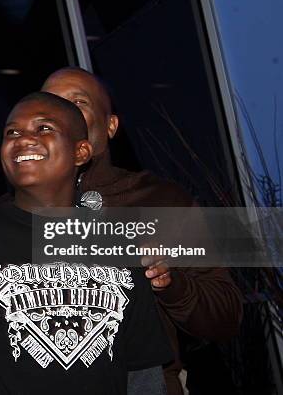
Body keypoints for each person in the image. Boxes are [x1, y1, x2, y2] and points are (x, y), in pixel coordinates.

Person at [0, 92, 173, 394]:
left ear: (81, 152)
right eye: (12, 132)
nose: (24, 139)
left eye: (43, 128)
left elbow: (142, 373)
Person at [42, 67, 243, 395]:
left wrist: (171, 285)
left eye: (78, 103)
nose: (63, 114)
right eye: (51, 105)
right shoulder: (11, 216)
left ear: (110, 126)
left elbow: (226, 317)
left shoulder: (160, 200)